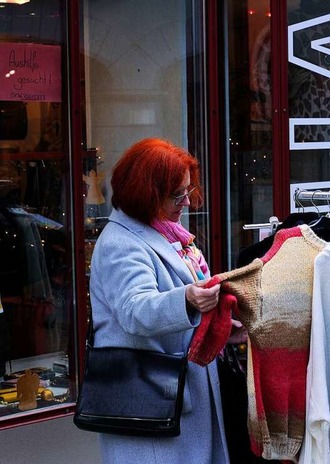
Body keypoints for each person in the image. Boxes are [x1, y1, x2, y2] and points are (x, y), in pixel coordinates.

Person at [88, 138, 230, 464]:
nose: (187, 202)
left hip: (171, 398)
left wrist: (222, 325)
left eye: (188, 191)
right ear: (145, 194)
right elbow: (135, 311)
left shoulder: (166, 233)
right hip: (150, 406)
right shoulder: (121, 244)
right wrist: (190, 299)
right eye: (176, 194)